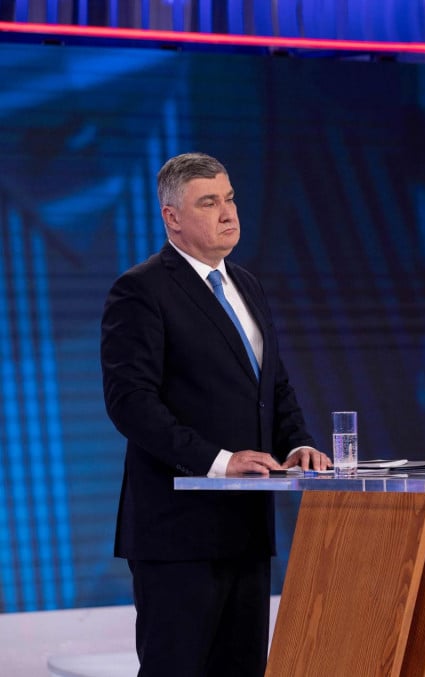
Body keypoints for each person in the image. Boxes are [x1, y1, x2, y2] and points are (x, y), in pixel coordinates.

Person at [101, 152, 331, 676]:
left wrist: (295, 443)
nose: (228, 213)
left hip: (245, 530)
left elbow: (272, 386)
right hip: (177, 531)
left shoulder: (247, 284)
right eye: (209, 202)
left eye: (229, 198)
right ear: (172, 217)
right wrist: (221, 462)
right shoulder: (141, 290)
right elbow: (130, 403)